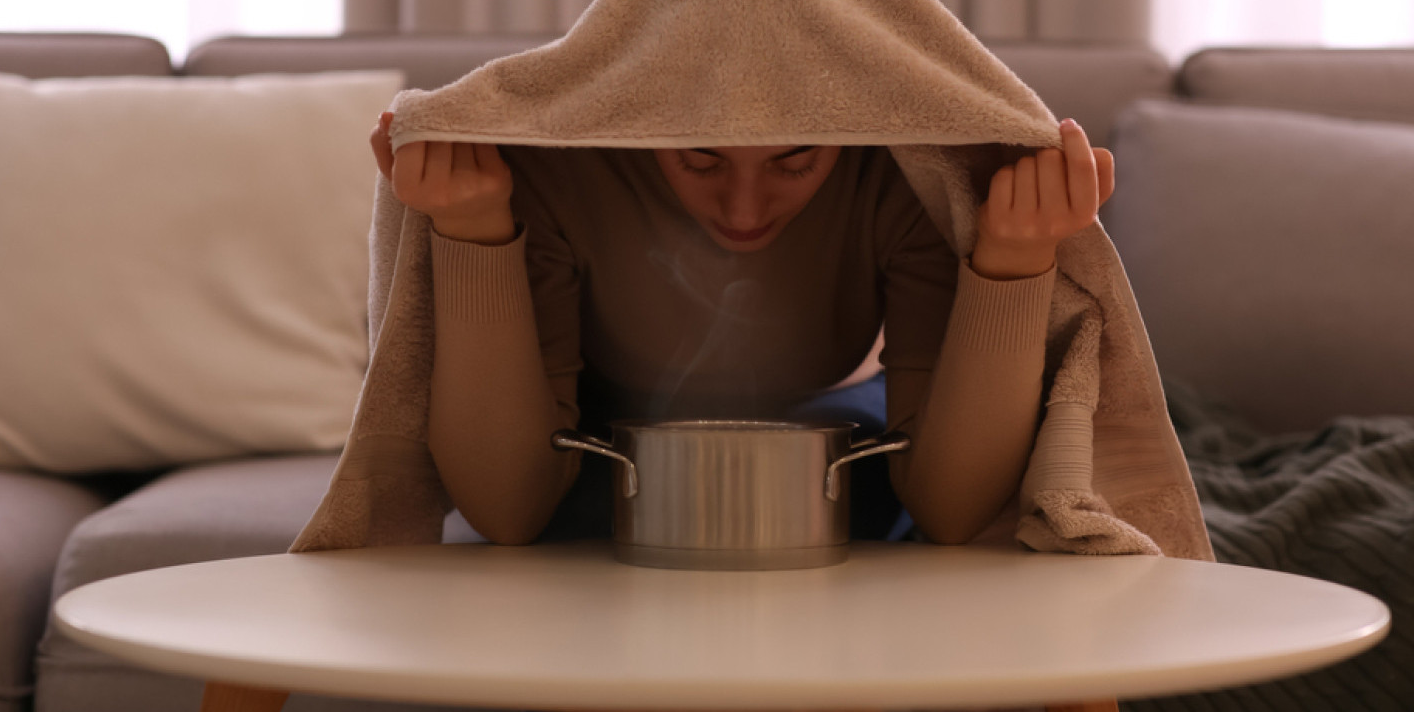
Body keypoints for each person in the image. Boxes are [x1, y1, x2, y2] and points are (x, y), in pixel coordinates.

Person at [368, 110, 1114, 547]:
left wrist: (1014, 262)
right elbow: (506, 512)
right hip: (602, 441)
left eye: (795, 162)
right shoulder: (557, 169)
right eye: (701, 160)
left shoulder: (900, 170)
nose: (745, 211)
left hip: (832, 424)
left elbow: (950, 514)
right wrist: (472, 229)